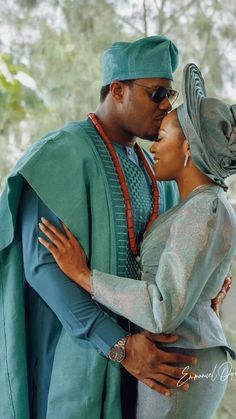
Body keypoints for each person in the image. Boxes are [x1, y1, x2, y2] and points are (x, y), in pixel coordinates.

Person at [0, 37, 229, 419]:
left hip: (147, 370)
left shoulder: (158, 172)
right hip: (79, 358)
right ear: (117, 90)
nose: (164, 107)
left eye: (169, 96)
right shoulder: (61, 153)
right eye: (156, 93)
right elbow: (42, 267)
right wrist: (119, 345)